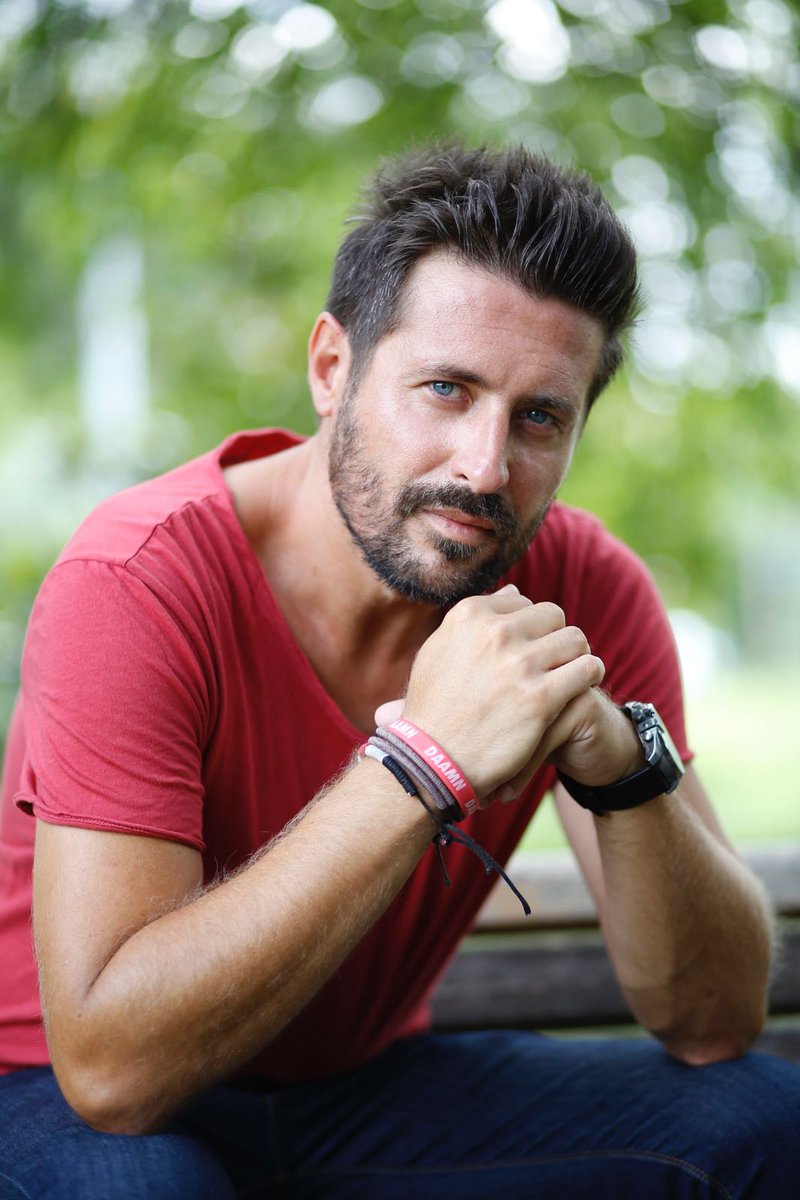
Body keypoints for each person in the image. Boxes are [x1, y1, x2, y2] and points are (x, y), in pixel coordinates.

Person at [0, 143, 797, 1199]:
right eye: (445, 389)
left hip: (356, 1097)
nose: (483, 466)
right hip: (54, 1094)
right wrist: (424, 763)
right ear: (332, 368)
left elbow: (711, 1024)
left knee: (760, 1121)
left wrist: (620, 769)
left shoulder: (581, 594)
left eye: (539, 417)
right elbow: (113, 1074)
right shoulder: (138, 580)